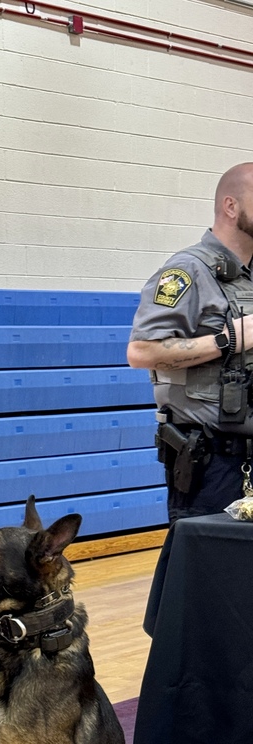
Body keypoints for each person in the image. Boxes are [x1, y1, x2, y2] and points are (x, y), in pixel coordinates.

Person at [127, 164, 253, 522]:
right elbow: (141, 352)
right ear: (231, 206)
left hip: (247, 452)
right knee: (209, 571)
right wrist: (231, 338)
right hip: (211, 462)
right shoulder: (187, 271)